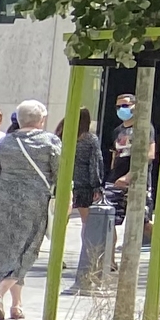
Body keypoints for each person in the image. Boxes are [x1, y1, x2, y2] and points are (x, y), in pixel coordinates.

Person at [0, 98, 59, 320]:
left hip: (1, 203)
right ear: (41, 120)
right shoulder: (50, 142)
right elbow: (60, 173)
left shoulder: (5, 142)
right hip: (33, 204)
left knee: (8, 250)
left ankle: (16, 305)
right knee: (27, 250)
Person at [69, 105, 108, 294]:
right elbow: (95, 163)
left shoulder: (64, 135)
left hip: (67, 185)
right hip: (84, 185)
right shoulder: (90, 139)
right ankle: (87, 255)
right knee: (87, 224)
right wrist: (97, 185)